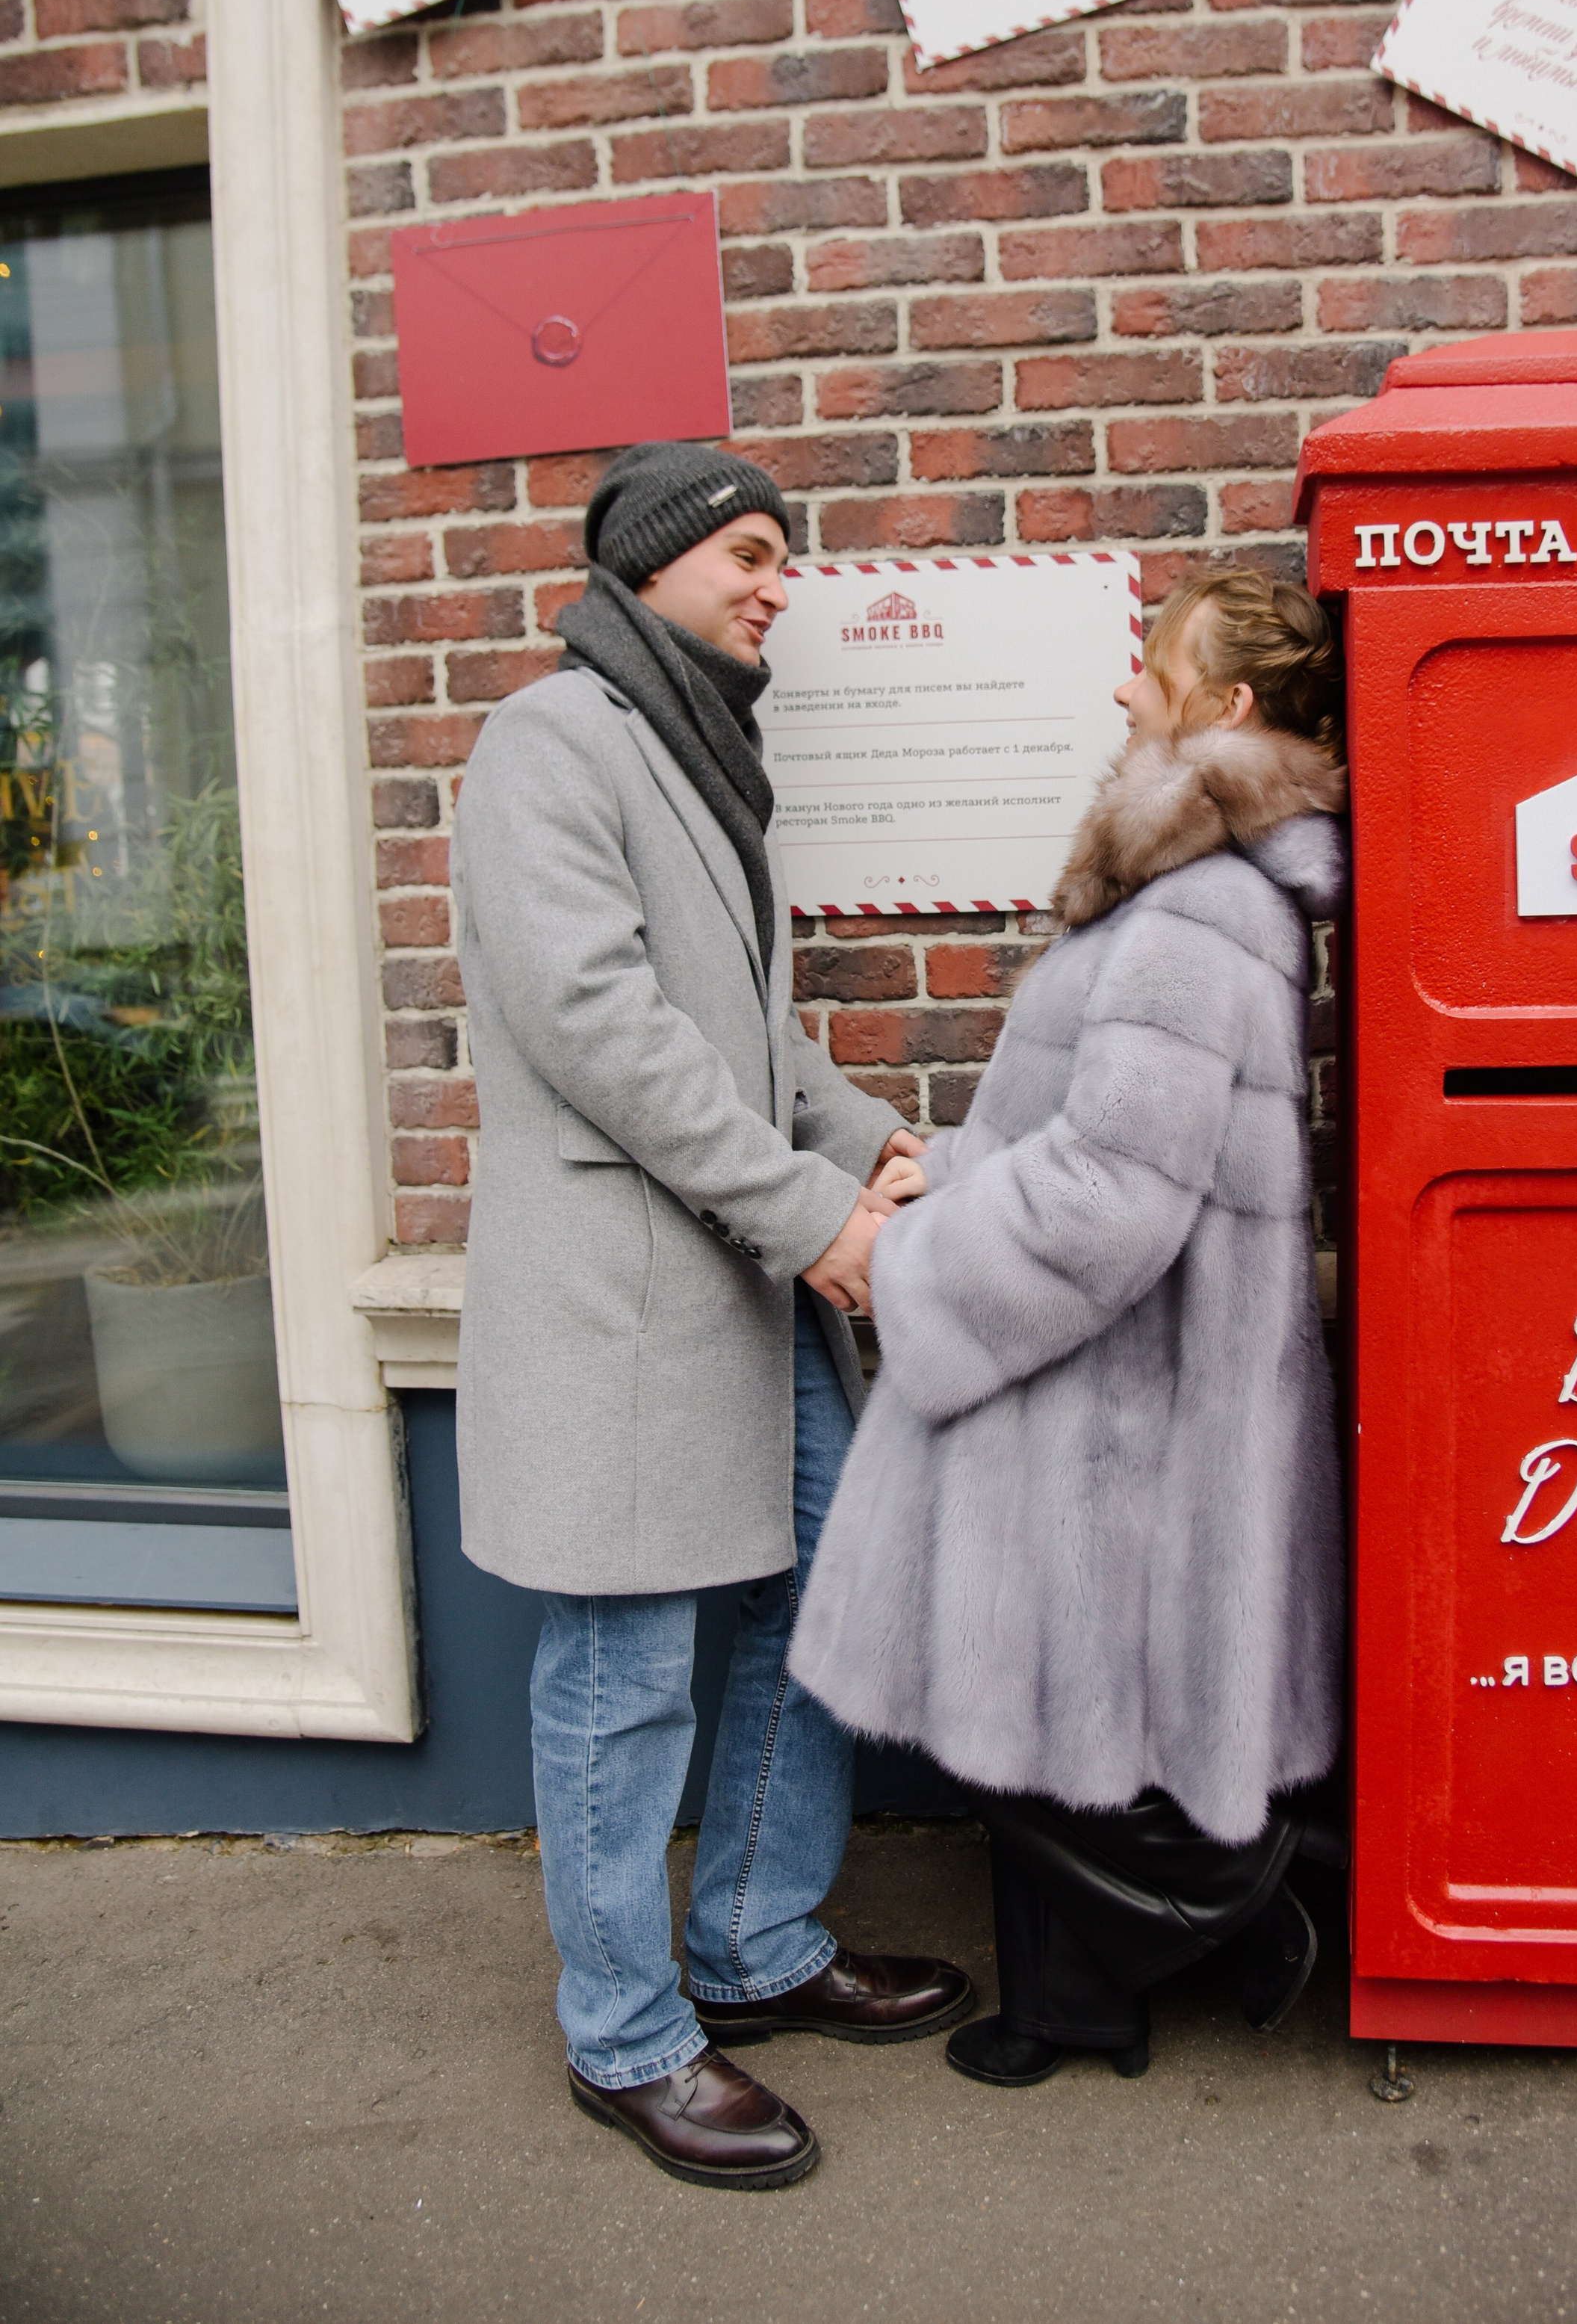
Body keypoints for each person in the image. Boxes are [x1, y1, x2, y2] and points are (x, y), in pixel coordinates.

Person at [451, 441, 969, 2189]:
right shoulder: (551, 739)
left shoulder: (692, 742)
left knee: (819, 1588)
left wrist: (870, 1138)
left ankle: (754, 1943)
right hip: (629, 1297)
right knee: (619, 1671)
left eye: (784, 557)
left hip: (738, 1281)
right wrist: (814, 1213)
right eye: (749, 552)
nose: (774, 584)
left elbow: (740, 1031)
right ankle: (624, 2031)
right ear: (655, 561)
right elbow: (601, 1028)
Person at [792, 566, 1348, 2084]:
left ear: (1225, 707)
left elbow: (1113, 1193)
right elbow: (1100, 1136)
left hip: (1107, 1381)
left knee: (1053, 1703)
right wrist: (956, 1168)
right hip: (1124, 1373)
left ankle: (1242, 1897)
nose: (1121, 689)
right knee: (1067, 1713)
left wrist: (914, 1263)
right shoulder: (1196, 883)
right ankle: (1083, 1996)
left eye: (1150, 665)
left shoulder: (1200, 907)